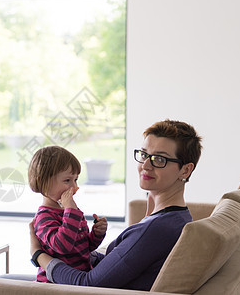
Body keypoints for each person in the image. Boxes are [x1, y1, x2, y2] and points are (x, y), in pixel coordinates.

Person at [29, 119, 203, 291]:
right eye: (144, 155)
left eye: (159, 159)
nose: (145, 165)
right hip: (80, 276)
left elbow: (87, 285)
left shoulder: (155, 229)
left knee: (3, 280)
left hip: (78, 288)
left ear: (185, 170)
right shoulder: (177, 216)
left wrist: (38, 255)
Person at [28, 145, 108, 283]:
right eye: (67, 180)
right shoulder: (43, 217)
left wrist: (96, 234)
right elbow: (62, 246)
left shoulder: (70, 210)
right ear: (42, 181)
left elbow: (83, 249)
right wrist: (70, 210)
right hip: (55, 285)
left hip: (78, 279)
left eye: (75, 180)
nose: (74, 187)